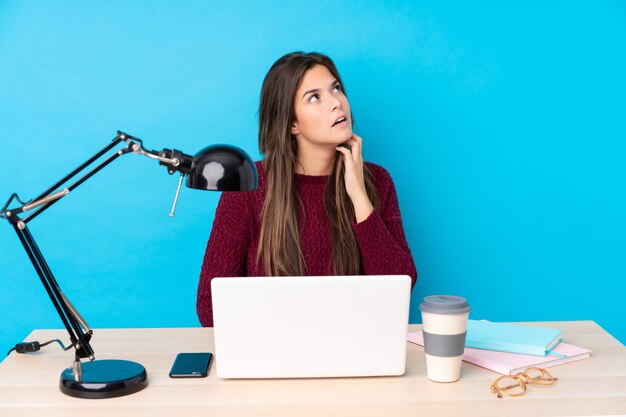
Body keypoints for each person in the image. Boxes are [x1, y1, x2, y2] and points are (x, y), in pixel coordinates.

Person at [197, 52, 417, 327]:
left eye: (336, 88)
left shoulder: (378, 181)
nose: (336, 102)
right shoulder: (249, 185)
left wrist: (359, 197)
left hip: (353, 352)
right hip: (270, 353)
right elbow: (210, 306)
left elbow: (399, 288)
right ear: (291, 123)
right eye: (315, 97)